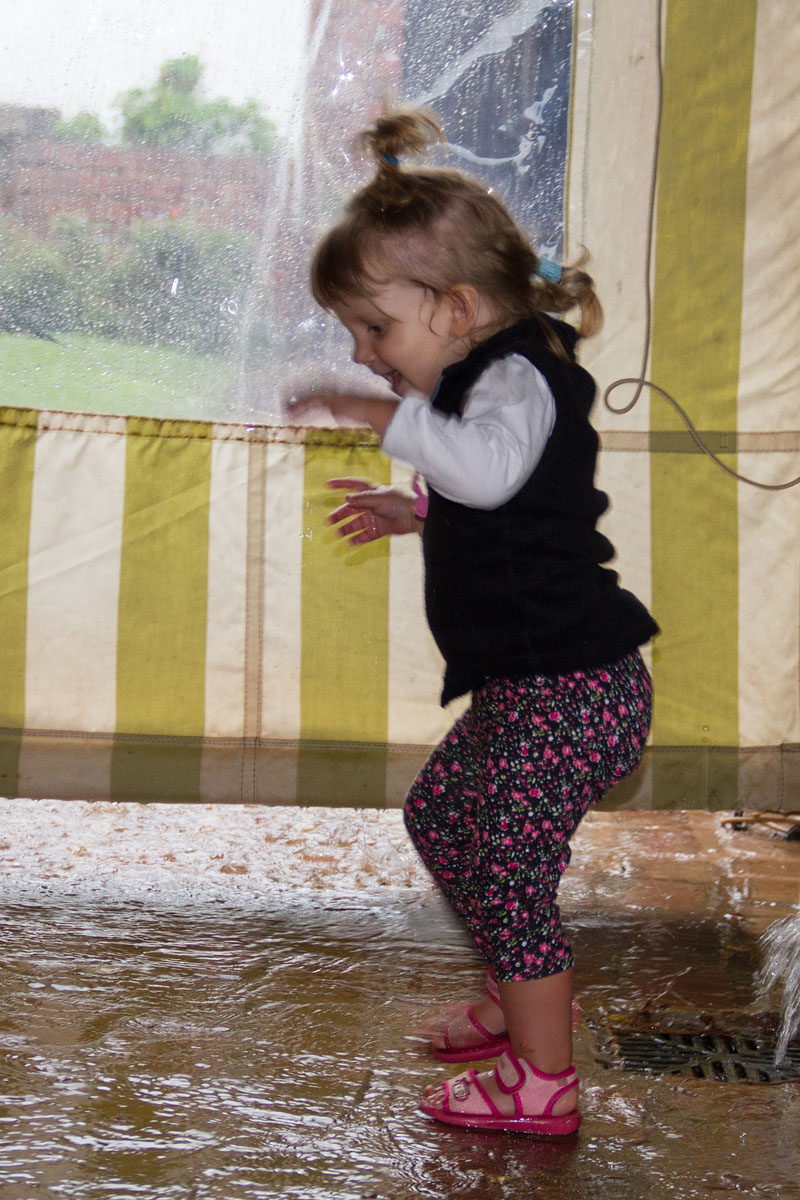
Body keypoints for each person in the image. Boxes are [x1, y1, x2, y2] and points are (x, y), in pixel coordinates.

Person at [288, 108, 658, 1136]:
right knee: (442, 818)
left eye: (374, 328)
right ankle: (517, 994)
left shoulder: (518, 372)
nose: (364, 354)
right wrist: (418, 508)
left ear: (455, 305)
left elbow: (493, 472)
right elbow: (503, 495)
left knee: (508, 866)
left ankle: (544, 1082)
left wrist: (374, 415)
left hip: (576, 689)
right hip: (531, 687)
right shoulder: (486, 373)